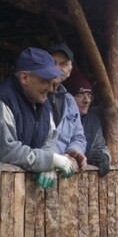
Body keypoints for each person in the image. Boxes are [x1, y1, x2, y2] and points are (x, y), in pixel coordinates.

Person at [0, 47, 76, 188]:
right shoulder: (0, 101)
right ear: (24, 78)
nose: (51, 88)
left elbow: (50, 137)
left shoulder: (43, 101)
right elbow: (6, 149)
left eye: (51, 81)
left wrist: (47, 164)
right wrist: (48, 160)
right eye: (45, 81)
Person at [47, 43, 87, 173]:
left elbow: (79, 136)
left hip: (64, 173)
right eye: (53, 63)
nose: (57, 68)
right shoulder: (34, 95)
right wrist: (52, 159)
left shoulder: (70, 100)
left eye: (63, 64)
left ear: (69, 71)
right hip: (38, 171)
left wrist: (74, 153)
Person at [64, 71, 111, 176]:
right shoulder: (59, 116)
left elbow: (101, 147)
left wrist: (105, 156)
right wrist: (88, 155)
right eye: (80, 95)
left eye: (89, 96)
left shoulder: (94, 121)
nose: (87, 101)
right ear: (68, 97)